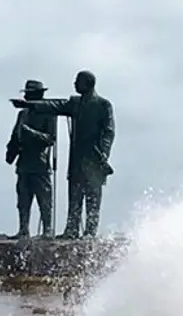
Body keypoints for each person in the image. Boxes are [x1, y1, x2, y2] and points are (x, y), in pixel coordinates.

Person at [10, 70, 114, 239]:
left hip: (95, 159)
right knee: (75, 196)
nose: (74, 84)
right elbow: (55, 105)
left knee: (93, 199)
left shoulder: (103, 105)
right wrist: (29, 105)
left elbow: (109, 132)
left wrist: (104, 153)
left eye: (77, 81)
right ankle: (71, 230)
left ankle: (89, 232)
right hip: (77, 159)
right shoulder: (74, 103)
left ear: (88, 84)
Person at [5, 79, 58, 239]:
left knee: (44, 199)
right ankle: (23, 229)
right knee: (23, 200)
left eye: (30, 94)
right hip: (24, 163)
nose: (27, 97)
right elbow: (15, 136)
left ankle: (47, 230)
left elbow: (50, 138)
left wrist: (30, 132)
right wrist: (10, 152)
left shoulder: (48, 114)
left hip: (40, 163)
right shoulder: (23, 114)